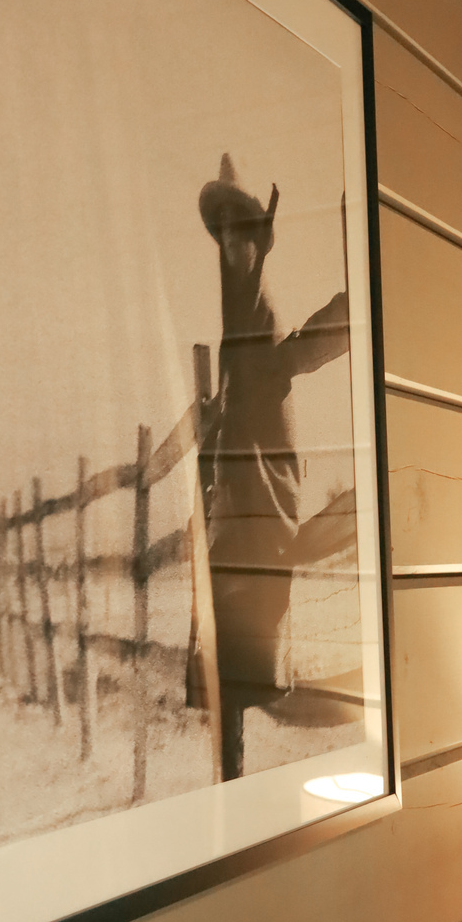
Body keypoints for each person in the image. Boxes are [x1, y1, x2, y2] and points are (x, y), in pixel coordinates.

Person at [195, 155, 350, 780]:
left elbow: (301, 352)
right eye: (224, 230)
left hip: (261, 520)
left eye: (244, 228)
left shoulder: (258, 315)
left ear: (261, 238)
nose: (233, 240)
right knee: (232, 681)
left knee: (254, 676)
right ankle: (230, 777)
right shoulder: (236, 315)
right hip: (235, 521)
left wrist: (357, 299)